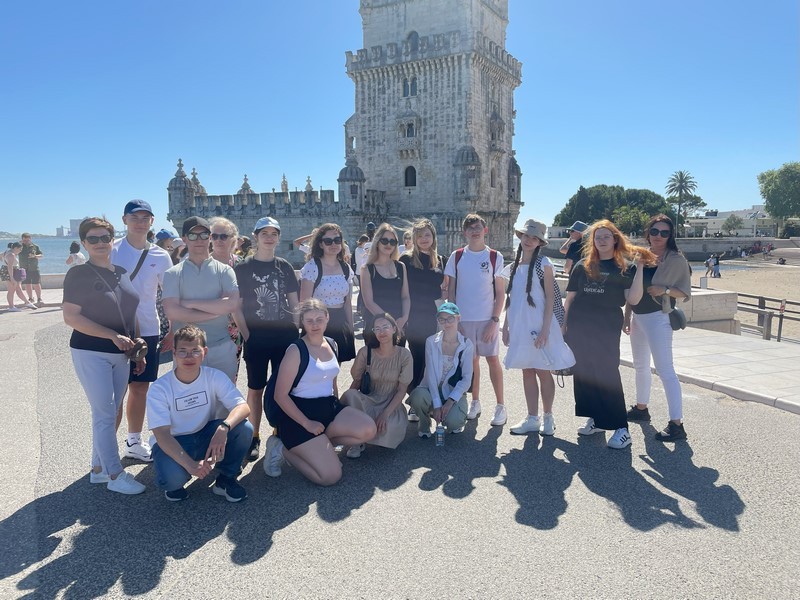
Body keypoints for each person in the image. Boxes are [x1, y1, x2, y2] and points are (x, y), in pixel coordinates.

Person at [62, 217, 146, 494]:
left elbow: (130, 312)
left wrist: (137, 347)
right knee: (105, 413)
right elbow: (71, 317)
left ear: (112, 240)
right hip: (90, 351)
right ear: (84, 243)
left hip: (122, 354)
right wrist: (111, 335)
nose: (100, 243)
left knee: (111, 410)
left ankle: (98, 469)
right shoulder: (78, 274)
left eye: (105, 238)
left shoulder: (121, 272)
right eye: (93, 239)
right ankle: (114, 474)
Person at [263, 299, 377, 485]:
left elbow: (331, 380)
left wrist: (337, 405)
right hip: (298, 415)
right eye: (309, 320)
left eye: (319, 319)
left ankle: (322, 446)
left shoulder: (332, 344)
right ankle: (281, 448)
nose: (315, 325)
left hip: (327, 407)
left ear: (327, 318)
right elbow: (280, 396)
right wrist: (307, 423)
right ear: (302, 322)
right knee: (330, 477)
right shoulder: (296, 351)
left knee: (368, 430)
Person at [563, 220, 646, 449]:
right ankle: (597, 419)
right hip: (579, 324)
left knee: (607, 372)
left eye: (606, 236)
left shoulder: (625, 267)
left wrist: (640, 268)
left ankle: (621, 428)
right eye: (597, 237)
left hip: (606, 325)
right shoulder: (582, 265)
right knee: (585, 372)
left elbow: (633, 299)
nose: (601, 240)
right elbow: (570, 298)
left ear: (615, 239)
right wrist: (563, 326)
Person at [147, 325, 253, 502]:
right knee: (172, 480)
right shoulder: (159, 388)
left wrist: (223, 428)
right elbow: (162, 435)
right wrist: (191, 466)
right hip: (175, 440)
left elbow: (243, 407)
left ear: (204, 352)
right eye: (183, 351)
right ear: (174, 353)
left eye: (195, 351)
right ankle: (175, 481)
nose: (189, 357)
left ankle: (226, 479)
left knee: (244, 428)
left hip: (205, 434)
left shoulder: (214, 376)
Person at [111, 199, 174, 462]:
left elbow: (169, 295)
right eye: (134, 217)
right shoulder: (111, 250)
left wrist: (172, 329)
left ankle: (133, 441)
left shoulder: (161, 255)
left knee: (140, 388)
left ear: (152, 221)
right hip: (115, 329)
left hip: (148, 329)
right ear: (124, 220)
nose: (140, 222)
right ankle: (106, 448)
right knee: (115, 393)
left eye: (145, 217)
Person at [233, 217, 299, 461]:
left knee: (283, 387)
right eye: (265, 233)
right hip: (257, 337)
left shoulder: (285, 266)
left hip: (284, 336)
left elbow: (294, 302)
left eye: (274, 234)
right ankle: (254, 436)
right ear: (256, 236)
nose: (269, 238)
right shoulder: (243, 268)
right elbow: (236, 306)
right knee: (256, 388)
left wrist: (296, 328)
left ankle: (279, 432)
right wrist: (247, 334)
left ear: (278, 237)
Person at [502, 219, 575, 436]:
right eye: (526, 236)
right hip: (520, 325)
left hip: (540, 325)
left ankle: (548, 416)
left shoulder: (544, 263)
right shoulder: (513, 267)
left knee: (543, 371)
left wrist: (545, 330)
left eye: (534, 238)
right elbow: (512, 299)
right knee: (527, 370)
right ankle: (532, 417)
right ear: (520, 236)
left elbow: (551, 297)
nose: (529, 240)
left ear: (540, 242)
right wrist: (506, 326)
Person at [623, 214, 691, 441]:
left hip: (658, 318)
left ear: (670, 235)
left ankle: (677, 424)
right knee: (640, 365)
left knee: (665, 370)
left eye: (664, 232)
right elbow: (633, 287)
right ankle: (641, 408)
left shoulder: (676, 260)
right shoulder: (641, 255)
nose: (658, 236)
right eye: (654, 231)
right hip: (638, 317)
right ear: (648, 233)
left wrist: (665, 290)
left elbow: (685, 291)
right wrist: (627, 316)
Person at [444, 213, 506, 426]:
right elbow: (451, 292)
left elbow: (500, 293)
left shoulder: (495, 257)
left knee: (493, 360)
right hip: (464, 320)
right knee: (472, 362)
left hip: (488, 319)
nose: (475, 231)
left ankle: (501, 406)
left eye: (478, 227)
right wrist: (455, 321)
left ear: (485, 230)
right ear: (465, 232)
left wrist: (494, 321)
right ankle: (475, 402)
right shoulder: (457, 256)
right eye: (470, 228)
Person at [162, 216, 241, 382]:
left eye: (204, 235)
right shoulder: (173, 273)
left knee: (224, 397)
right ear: (184, 239)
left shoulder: (225, 271)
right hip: (186, 352)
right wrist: (216, 311)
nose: (199, 240)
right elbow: (172, 311)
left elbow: (232, 304)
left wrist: (189, 304)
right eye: (193, 235)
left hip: (221, 348)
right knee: (188, 396)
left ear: (210, 238)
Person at [341, 313, 412, 458]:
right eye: (377, 328)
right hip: (368, 400)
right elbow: (356, 381)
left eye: (385, 327)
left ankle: (363, 433)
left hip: (391, 404)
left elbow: (401, 390)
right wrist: (344, 409)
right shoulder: (365, 352)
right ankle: (357, 441)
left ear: (394, 329)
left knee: (387, 428)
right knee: (350, 395)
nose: (382, 332)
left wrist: (385, 414)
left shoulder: (404, 355)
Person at [407, 302, 473, 437]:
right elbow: (430, 375)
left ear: (458, 318)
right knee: (418, 396)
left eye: (450, 319)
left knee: (454, 423)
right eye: (442, 319)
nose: (446, 323)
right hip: (431, 389)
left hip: (452, 391)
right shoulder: (431, 341)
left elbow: (467, 379)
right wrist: (437, 405)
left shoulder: (467, 344)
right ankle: (424, 423)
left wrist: (449, 402)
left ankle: (449, 413)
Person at [399, 218, 447, 392]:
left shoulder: (440, 260)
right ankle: (414, 394)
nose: (424, 239)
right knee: (417, 355)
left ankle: (424, 394)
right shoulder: (406, 259)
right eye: (419, 236)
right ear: (414, 238)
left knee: (430, 357)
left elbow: (444, 287)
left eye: (427, 235)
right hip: (413, 315)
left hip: (433, 315)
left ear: (433, 237)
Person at [298, 223, 357, 362]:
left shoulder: (345, 268)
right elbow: (304, 303)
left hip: (340, 321)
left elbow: (347, 301)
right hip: (317, 321)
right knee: (316, 364)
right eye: (328, 241)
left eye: (337, 240)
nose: (333, 244)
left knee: (335, 365)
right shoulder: (312, 267)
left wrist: (350, 327)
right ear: (320, 244)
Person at [360, 223, 411, 347]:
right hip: (377, 327)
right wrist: (390, 324)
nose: (388, 244)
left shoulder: (401, 267)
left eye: (392, 242)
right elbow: (369, 303)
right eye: (384, 240)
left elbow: (405, 296)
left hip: (399, 325)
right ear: (377, 242)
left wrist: (404, 318)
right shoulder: (367, 269)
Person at [209, 217, 244, 380]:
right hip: (206, 328)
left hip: (234, 330)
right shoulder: (201, 263)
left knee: (230, 377)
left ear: (233, 239)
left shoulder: (240, 264)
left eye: (223, 236)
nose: (218, 240)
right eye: (214, 236)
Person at [4, 242, 37, 311]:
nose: (20, 251)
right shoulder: (11, 255)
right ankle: (11, 307)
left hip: (13, 272)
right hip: (11, 273)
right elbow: (9, 267)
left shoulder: (8, 252)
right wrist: (12, 278)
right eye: (20, 249)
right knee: (11, 290)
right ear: (15, 248)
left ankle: (27, 303)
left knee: (18, 289)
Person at [19, 233, 44, 306]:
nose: (26, 242)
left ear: (30, 239)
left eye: (27, 240)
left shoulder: (35, 246)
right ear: (22, 239)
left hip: (34, 268)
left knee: (36, 283)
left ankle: (39, 298)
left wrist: (35, 256)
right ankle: (30, 298)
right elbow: (13, 251)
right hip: (24, 268)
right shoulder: (20, 247)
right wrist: (19, 243)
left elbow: (41, 255)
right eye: (24, 240)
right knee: (27, 284)